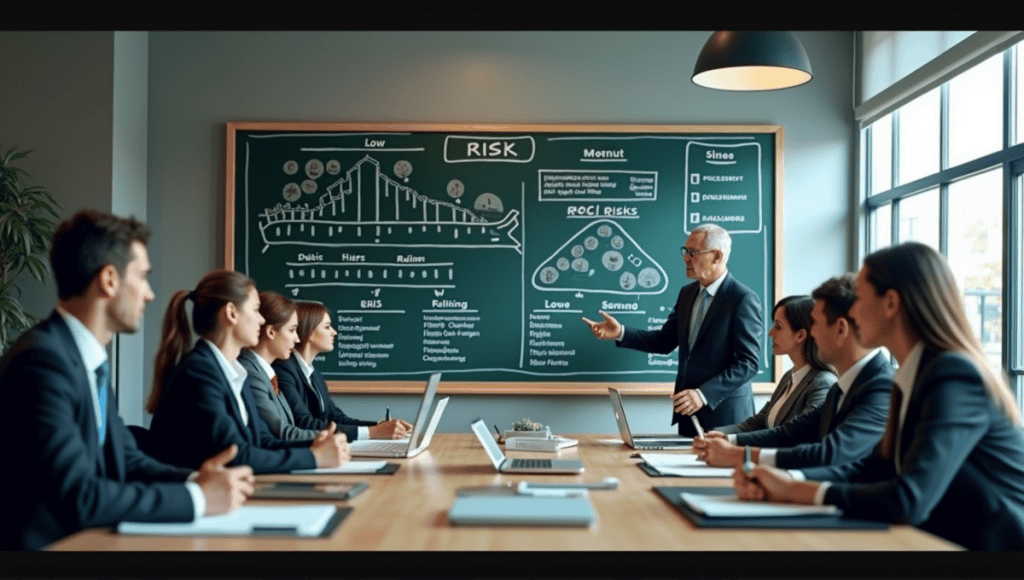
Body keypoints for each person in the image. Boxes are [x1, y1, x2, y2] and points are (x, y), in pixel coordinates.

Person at [734, 242, 1024, 550]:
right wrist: (785, 481)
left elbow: (908, 499)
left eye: (859, 297)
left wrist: (798, 491)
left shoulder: (952, 375)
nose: (853, 311)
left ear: (890, 303)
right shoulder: (913, 373)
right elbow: (873, 469)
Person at [0, 210, 254, 551]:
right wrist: (197, 499)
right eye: (143, 277)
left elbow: (125, 458)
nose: (149, 294)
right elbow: (81, 495)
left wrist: (196, 479)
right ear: (108, 280)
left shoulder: (88, 360)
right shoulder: (42, 363)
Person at [146, 270, 351, 473]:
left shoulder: (235, 373)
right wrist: (315, 457)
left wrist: (315, 443)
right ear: (231, 313)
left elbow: (262, 441)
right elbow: (236, 454)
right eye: (255, 310)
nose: (262, 321)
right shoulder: (199, 372)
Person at [694, 274, 893, 469]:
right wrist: (729, 440)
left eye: (815, 323)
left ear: (840, 329)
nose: (811, 333)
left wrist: (743, 456)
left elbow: (832, 453)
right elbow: (791, 432)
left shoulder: (882, 387)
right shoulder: (844, 386)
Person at [583, 223, 762, 437]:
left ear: (716, 256)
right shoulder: (687, 294)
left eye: (692, 253)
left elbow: (748, 363)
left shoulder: (742, 299)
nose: (685, 258)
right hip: (687, 414)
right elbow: (664, 341)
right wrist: (620, 331)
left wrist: (703, 395)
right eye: (685, 252)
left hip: (726, 418)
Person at [274, 301, 412, 441]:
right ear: (308, 332)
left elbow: (336, 418)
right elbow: (304, 423)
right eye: (327, 327)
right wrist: (372, 432)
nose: (334, 332)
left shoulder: (313, 374)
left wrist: (381, 427)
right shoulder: (283, 370)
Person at [712, 295, 836, 434]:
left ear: (800, 336)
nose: (771, 333)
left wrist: (732, 441)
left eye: (778, 326)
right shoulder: (789, 377)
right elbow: (758, 422)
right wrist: (713, 433)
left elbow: (795, 435)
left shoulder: (823, 383)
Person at [238, 291, 320, 441]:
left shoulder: (267, 373)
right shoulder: (250, 373)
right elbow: (282, 433)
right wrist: (333, 437)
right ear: (270, 332)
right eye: (291, 330)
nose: (297, 339)